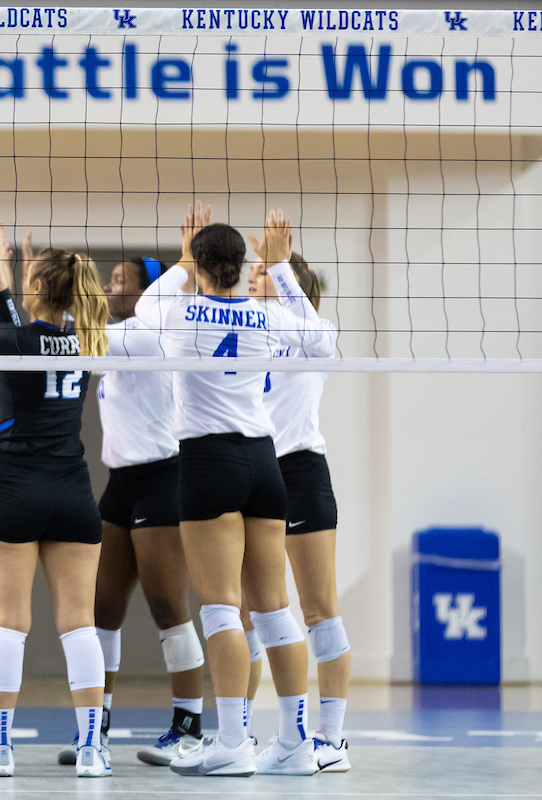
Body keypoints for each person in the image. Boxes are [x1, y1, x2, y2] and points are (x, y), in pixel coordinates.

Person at [134, 204, 335, 777]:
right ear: (243, 265)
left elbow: (146, 310)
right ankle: (296, 744)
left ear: (200, 265)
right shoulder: (267, 316)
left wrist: (179, 262)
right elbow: (323, 340)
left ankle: (233, 743)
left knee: (221, 608)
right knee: (275, 611)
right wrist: (280, 269)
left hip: (208, 463)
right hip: (263, 465)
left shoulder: (175, 312)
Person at [0, 224, 112, 778]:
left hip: (14, 489)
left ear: (38, 284)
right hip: (73, 492)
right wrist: (7, 288)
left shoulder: (17, 341)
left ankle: (1, 750)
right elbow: (29, 343)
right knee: (79, 624)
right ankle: (91, 749)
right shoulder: (87, 340)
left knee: (9, 623)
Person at [68, 256, 207, 768]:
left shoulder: (147, 336)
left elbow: (85, 336)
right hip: (119, 486)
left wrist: (68, 284)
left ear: (148, 293)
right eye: (106, 279)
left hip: (160, 482)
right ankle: (94, 730)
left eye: (120, 280)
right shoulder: (118, 334)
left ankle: (188, 726)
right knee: (102, 610)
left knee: (168, 607)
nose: (108, 286)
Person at [247, 244, 351, 773]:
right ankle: (239, 732)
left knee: (319, 610)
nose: (251, 278)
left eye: (262, 273)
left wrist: (282, 267)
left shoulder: (315, 335)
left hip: (303, 471)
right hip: (255, 471)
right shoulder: (247, 331)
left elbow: (318, 339)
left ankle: (332, 739)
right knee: (251, 609)